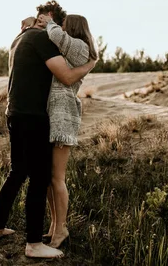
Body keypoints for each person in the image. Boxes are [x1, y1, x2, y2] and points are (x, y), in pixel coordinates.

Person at [0, 1, 95, 259]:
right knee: (38, 179)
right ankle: (34, 244)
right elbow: (67, 77)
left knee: (17, 172)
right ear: (51, 19)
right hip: (33, 116)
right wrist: (91, 65)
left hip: (13, 112)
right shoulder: (43, 38)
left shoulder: (19, 37)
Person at [35, 13, 98, 248]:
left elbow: (56, 34)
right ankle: (54, 226)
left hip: (64, 117)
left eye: (63, 24)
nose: (60, 27)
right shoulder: (74, 51)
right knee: (51, 179)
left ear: (72, 27)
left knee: (57, 178)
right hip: (56, 115)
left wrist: (48, 21)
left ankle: (61, 230)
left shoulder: (80, 48)